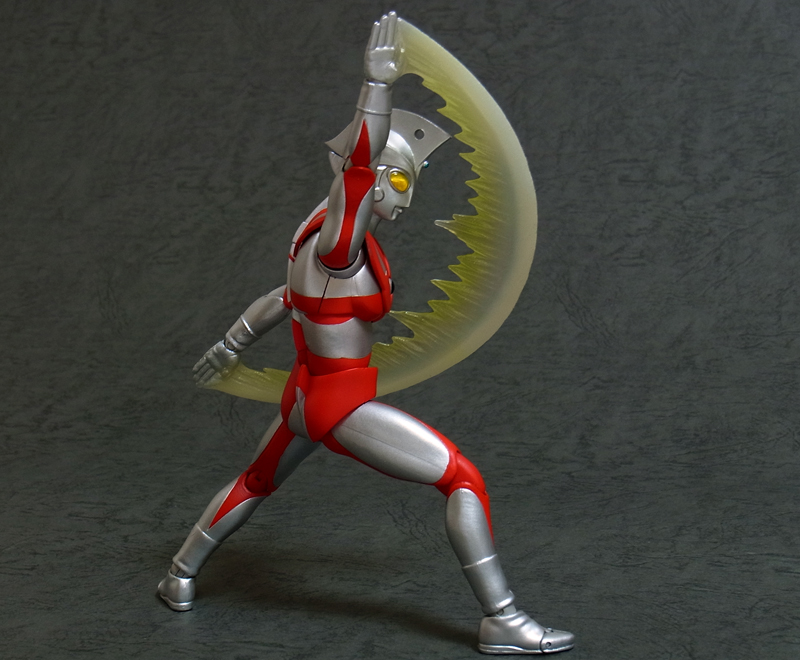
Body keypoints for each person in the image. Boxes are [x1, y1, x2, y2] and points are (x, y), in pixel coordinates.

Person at [157, 12, 574, 655]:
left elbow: (282, 300)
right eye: (400, 180)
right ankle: (502, 618)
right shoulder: (339, 244)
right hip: (337, 402)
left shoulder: (315, 244)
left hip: (304, 394)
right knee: (463, 479)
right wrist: (376, 86)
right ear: (375, 176)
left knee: (258, 480)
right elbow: (355, 172)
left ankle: (179, 575)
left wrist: (230, 345)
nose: (405, 199)